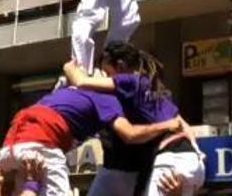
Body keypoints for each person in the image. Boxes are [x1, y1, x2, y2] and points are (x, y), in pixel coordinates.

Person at [64, 42, 205, 196]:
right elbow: (184, 126)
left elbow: (82, 82)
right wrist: (198, 155)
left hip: (169, 160)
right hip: (193, 161)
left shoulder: (129, 81)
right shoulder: (156, 88)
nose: (106, 78)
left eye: (107, 72)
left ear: (121, 66)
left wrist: (69, 68)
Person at [0, 83, 180, 196]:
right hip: (39, 145)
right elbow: (129, 134)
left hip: (9, 147)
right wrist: (168, 124)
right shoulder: (106, 98)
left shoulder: (61, 94)